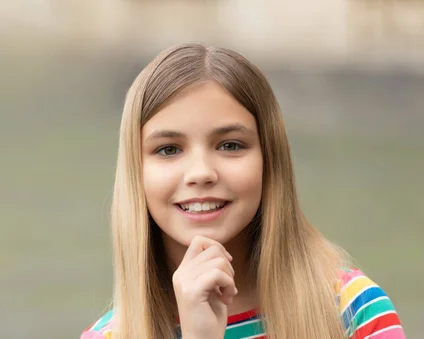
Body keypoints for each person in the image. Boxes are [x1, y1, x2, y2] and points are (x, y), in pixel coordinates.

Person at [79, 43, 405, 339]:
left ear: (269, 160)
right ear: (137, 172)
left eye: (230, 145)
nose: (201, 173)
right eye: (168, 149)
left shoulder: (353, 311)